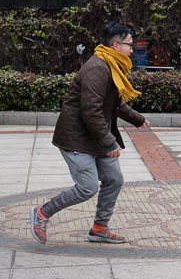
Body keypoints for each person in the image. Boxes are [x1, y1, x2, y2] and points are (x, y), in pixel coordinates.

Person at [31, 23, 149, 244]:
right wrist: (109, 142)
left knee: (114, 179)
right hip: (77, 137)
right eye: (129, 45)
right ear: (116, 46)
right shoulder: (98, 69)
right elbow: (91, 110)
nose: (132, 50)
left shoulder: (111, 65)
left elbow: (114, 104)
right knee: (87, 187)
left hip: (96, 135)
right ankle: (42, 212)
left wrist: (138, 119)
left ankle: (99, 228)